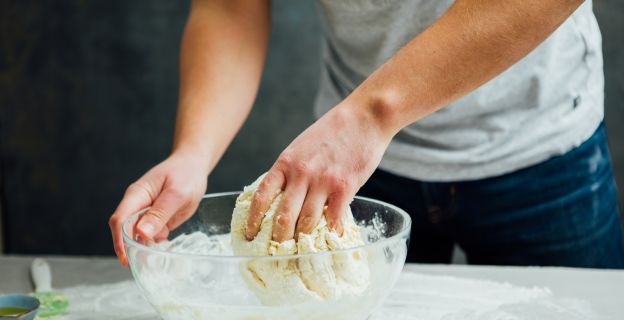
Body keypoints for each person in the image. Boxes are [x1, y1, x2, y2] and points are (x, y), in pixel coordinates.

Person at [109, 0, 624, 268]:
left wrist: (371, 115)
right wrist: (195, 151)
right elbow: (230, 7)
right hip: (358, 166)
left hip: (541, 146)